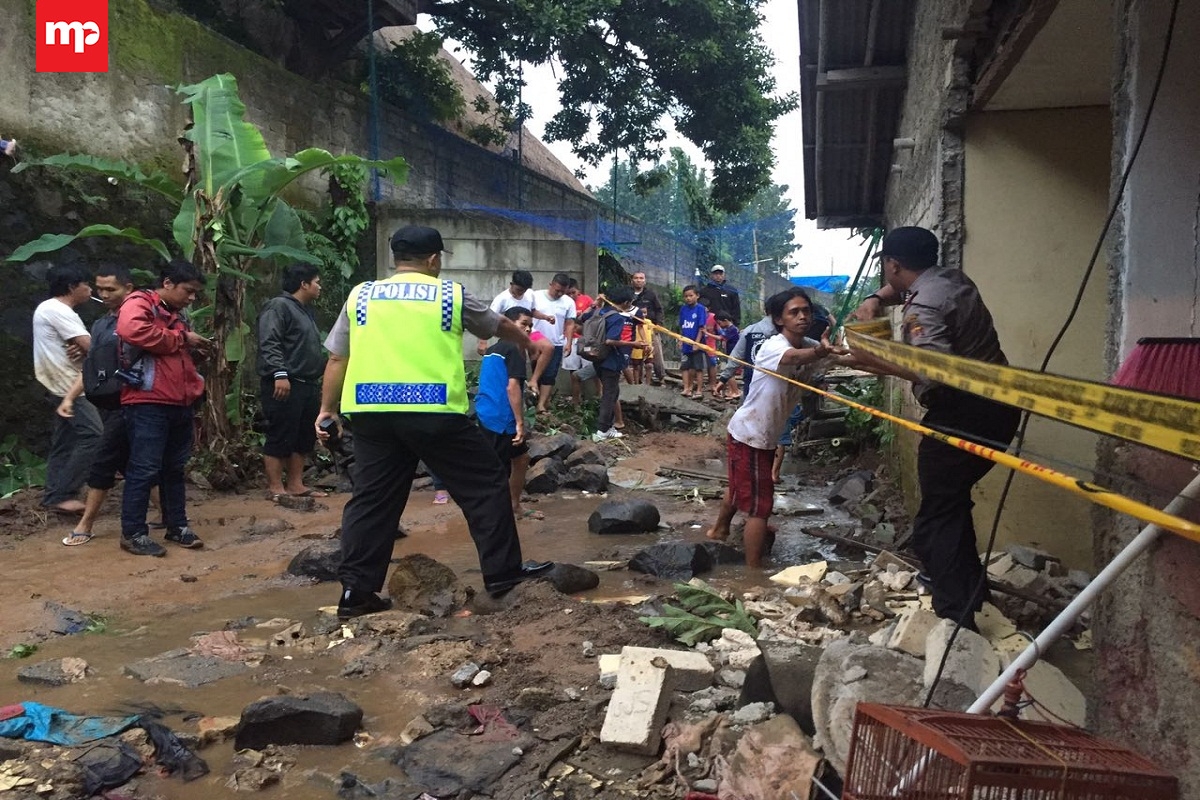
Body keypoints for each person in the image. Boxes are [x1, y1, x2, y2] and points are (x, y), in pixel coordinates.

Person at [316, 224, 551, 620]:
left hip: (372, 415)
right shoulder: (448, 294)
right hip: (435, 412)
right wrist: (529, 343)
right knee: (485, 487)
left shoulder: (363, 295)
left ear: (396, 259)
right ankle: (503, 577)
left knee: (372, 502)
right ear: (434, 259)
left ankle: (356, 592)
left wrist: (327, 410)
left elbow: (338, 357)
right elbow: (497, 325)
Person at [839, 226, 1021, 630]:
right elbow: (898, 289)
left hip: (963, 412)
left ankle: (956, 617)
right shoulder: (952, 279)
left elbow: (932, 373)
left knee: (936, 517)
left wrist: (864, 361)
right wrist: (873, 300)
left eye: (886, 268)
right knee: (952, 504)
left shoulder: (924, 308)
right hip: (1000, 408)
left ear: (893, 264)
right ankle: (973, 595)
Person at [706, 287, 841, 567]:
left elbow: (840, 357)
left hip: (756, 433)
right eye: (794, 312)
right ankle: (753, 576)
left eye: (806, 311)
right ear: (779, 320)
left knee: (740, 484)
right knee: (760, 508)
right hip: (751, 434)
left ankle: (720, 529)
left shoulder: (808, 346)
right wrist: (819, 351)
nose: (802, 316)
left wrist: (884, 361)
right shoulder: (773, 346)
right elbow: (794, 359)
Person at [56, 265, 159, 545]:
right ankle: (167, 514)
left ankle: (85, 524)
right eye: (100, 289)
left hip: (139, 401)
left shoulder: (145, 319)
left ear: (129, 288)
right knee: (128, 461)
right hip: (110, 403)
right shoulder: (102, 325)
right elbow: (92, 368)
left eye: (110, 289)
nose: (103, 294)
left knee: (104, 461)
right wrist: (70, 397)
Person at [116, 260, 211, 557]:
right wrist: (183, 339)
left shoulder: (177, 315)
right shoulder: (140, 302)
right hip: (148, 402)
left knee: (174, 468)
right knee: (144, 469)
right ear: (167, 283)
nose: (192, 297)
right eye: (188, 290)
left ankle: (177, 526)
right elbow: (133, 330)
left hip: (179, 402)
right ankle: (133, 533)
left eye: (196, 292)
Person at [33, 264, 101, 515]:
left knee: (64, 440)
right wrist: (86, 347)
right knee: (94, 435)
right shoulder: (58, 310)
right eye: (87, 285)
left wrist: (81, 348)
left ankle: (54, 493)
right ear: (73, 287)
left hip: (58, 382)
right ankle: (64, 493)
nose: (91, 289)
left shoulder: (51, 309)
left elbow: (83, 346)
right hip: (69, 385)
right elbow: (92, 348)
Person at [256, 263, 327, 502]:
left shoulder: (305, 309)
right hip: (285, 382)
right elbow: (270, 341)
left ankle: (296, 484)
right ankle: (276, 487)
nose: (319, 286)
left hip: (306, 382)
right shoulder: (279, 306)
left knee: (303, 435)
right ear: (303, 284)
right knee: (280, 433)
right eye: (316, 281)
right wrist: (279, 373)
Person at [477, 307, 540, 519]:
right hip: (501, 418)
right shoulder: (513, 350)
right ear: (510, 324)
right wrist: (519, 423)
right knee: (497, 470)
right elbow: (512, 388)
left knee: (521, 458)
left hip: (486, 412)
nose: (528, 329)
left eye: (530, 325)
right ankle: (495, 515)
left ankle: (513, 505)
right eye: (523, 324)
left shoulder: (493, 349)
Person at [582, 286, 639, 442]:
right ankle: (602, 430)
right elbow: (610, 340)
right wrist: (635, 343)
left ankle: (608, 427)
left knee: (613, 393)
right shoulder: (617, 318)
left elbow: (581, 319)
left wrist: (594, 303)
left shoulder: (599, 311)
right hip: (611, 361)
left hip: (597, 358)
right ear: (627, 302)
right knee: (609, 394)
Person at [529, 273, 577, 413]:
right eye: (557, 290)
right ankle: (536, 401)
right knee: (536, 372)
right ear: (551, 284)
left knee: (550, 375)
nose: (559, 293)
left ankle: (541, 405)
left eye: (563, 291)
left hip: (556, 342)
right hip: (536, 341)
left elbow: (569, 324)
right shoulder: (535, 297)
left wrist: (568, 342)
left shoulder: (568, 302)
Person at [630, 271, 665, 385]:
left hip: (650, 328)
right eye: (636, 278)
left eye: (641, 278)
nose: (639, 280)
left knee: (656, 354)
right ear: (632, 280)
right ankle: (637, 382)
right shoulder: (628, 294)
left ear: (645, 281)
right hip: (633, 329)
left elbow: (659, 310)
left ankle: (660, 378)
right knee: (636, 358)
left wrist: (658, 325)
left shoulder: (650, 294)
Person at [678, 285, 707, 397]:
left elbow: (701, 327)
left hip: (697, 344)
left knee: (698, 368)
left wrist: (697, 342)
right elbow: (681, 326)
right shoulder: (683, 309)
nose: (688, 298)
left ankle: (699, 390)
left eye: (691, 295)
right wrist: (680, 339)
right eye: (686, 296)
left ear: (697, 296)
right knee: (685, 366)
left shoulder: (700, 309)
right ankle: (686, 388)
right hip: (685, 343)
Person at [713, 312, 741, 400]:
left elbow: (721, 337)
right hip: (730, 353)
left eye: (719, 323)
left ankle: (735, 391)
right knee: (729, 373)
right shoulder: (729, 329)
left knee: (730, 373)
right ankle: (731, 391)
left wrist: (707, 333)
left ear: (725, 321)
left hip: (734, 354)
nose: (719, 325)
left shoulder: (732, 329)